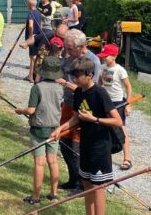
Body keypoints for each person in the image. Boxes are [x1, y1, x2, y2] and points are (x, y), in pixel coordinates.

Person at [50, 57, 123, 215]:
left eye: (78, 75)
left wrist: (95, 119)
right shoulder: (78, 92)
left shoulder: (99, 93)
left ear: (89, 75)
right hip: (86, 144)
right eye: (73, 75)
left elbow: (117, 121)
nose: (74, 78)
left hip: (100, 146)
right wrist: (60, 129)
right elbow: (76, 117)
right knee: (87, 184)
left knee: (98, 187)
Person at [57, 29, 102, 193]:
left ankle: (82, 184)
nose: (67, 52)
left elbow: (90, 91)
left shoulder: (93, 62)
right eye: (66, 48)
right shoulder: (69, 58)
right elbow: (59, 68)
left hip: (84, 110)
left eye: (69, 49)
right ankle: (72, 178)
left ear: (81, 46)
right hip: (68, 105)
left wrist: (66, 84)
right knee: (64, 143)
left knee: (77, 148)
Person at [15, 56, 64, 204]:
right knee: (53, 161)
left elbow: (31, 110)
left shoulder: (37, 88)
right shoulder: (60, 88)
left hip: (38, 131)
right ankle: (53, 194)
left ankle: (35, 197)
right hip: (55, 129)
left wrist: (20, 110)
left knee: (39, 163)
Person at [97, 44, 133, 170]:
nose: (104, 58)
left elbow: (128, 87)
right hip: (105, 102)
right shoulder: (102, 68)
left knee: (120, 129)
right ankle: (105, 154)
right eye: (103, 56)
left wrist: (128, 104)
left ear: (114, 56)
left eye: (106, 56)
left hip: (118, 103)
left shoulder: (120, 70)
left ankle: (127, 158)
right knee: (105, 127)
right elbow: (100, 83)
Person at [25, 0, 43, 83]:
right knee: (33, 57)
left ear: (28, 4)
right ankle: (30, 75)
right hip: (38, 36)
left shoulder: (31, 13)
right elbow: (41, 24)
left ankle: (32, 77)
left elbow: (31, 25)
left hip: (33, 38)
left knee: (33, 57)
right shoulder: (38, 13)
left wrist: (31, 36)